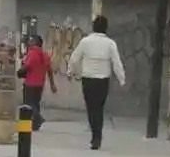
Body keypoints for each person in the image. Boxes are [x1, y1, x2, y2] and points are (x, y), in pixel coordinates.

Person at [67, 15, 125, 149]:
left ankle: (94, 135)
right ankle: (97, 136)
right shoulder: (110, 44)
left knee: (91, 108)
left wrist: (70, 71)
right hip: (103, 80)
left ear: (93, 27)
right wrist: (121, 79)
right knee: (99, 108)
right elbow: (117, 63)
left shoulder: (85, 42)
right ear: (106, 28)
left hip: (88, 79)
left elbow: (75, 57)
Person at [18, 34, 56, 130]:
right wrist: (52, 84)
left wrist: (20, 71)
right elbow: (50, 71)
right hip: (40, 84)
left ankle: (38, 118)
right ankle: (35, 125)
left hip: (30, 83)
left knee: (28, 104)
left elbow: (27, 66)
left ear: (36, 43)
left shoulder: (32, 53)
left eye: (31, 40)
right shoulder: (45, 55)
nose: (30, 42)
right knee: (36, 103)